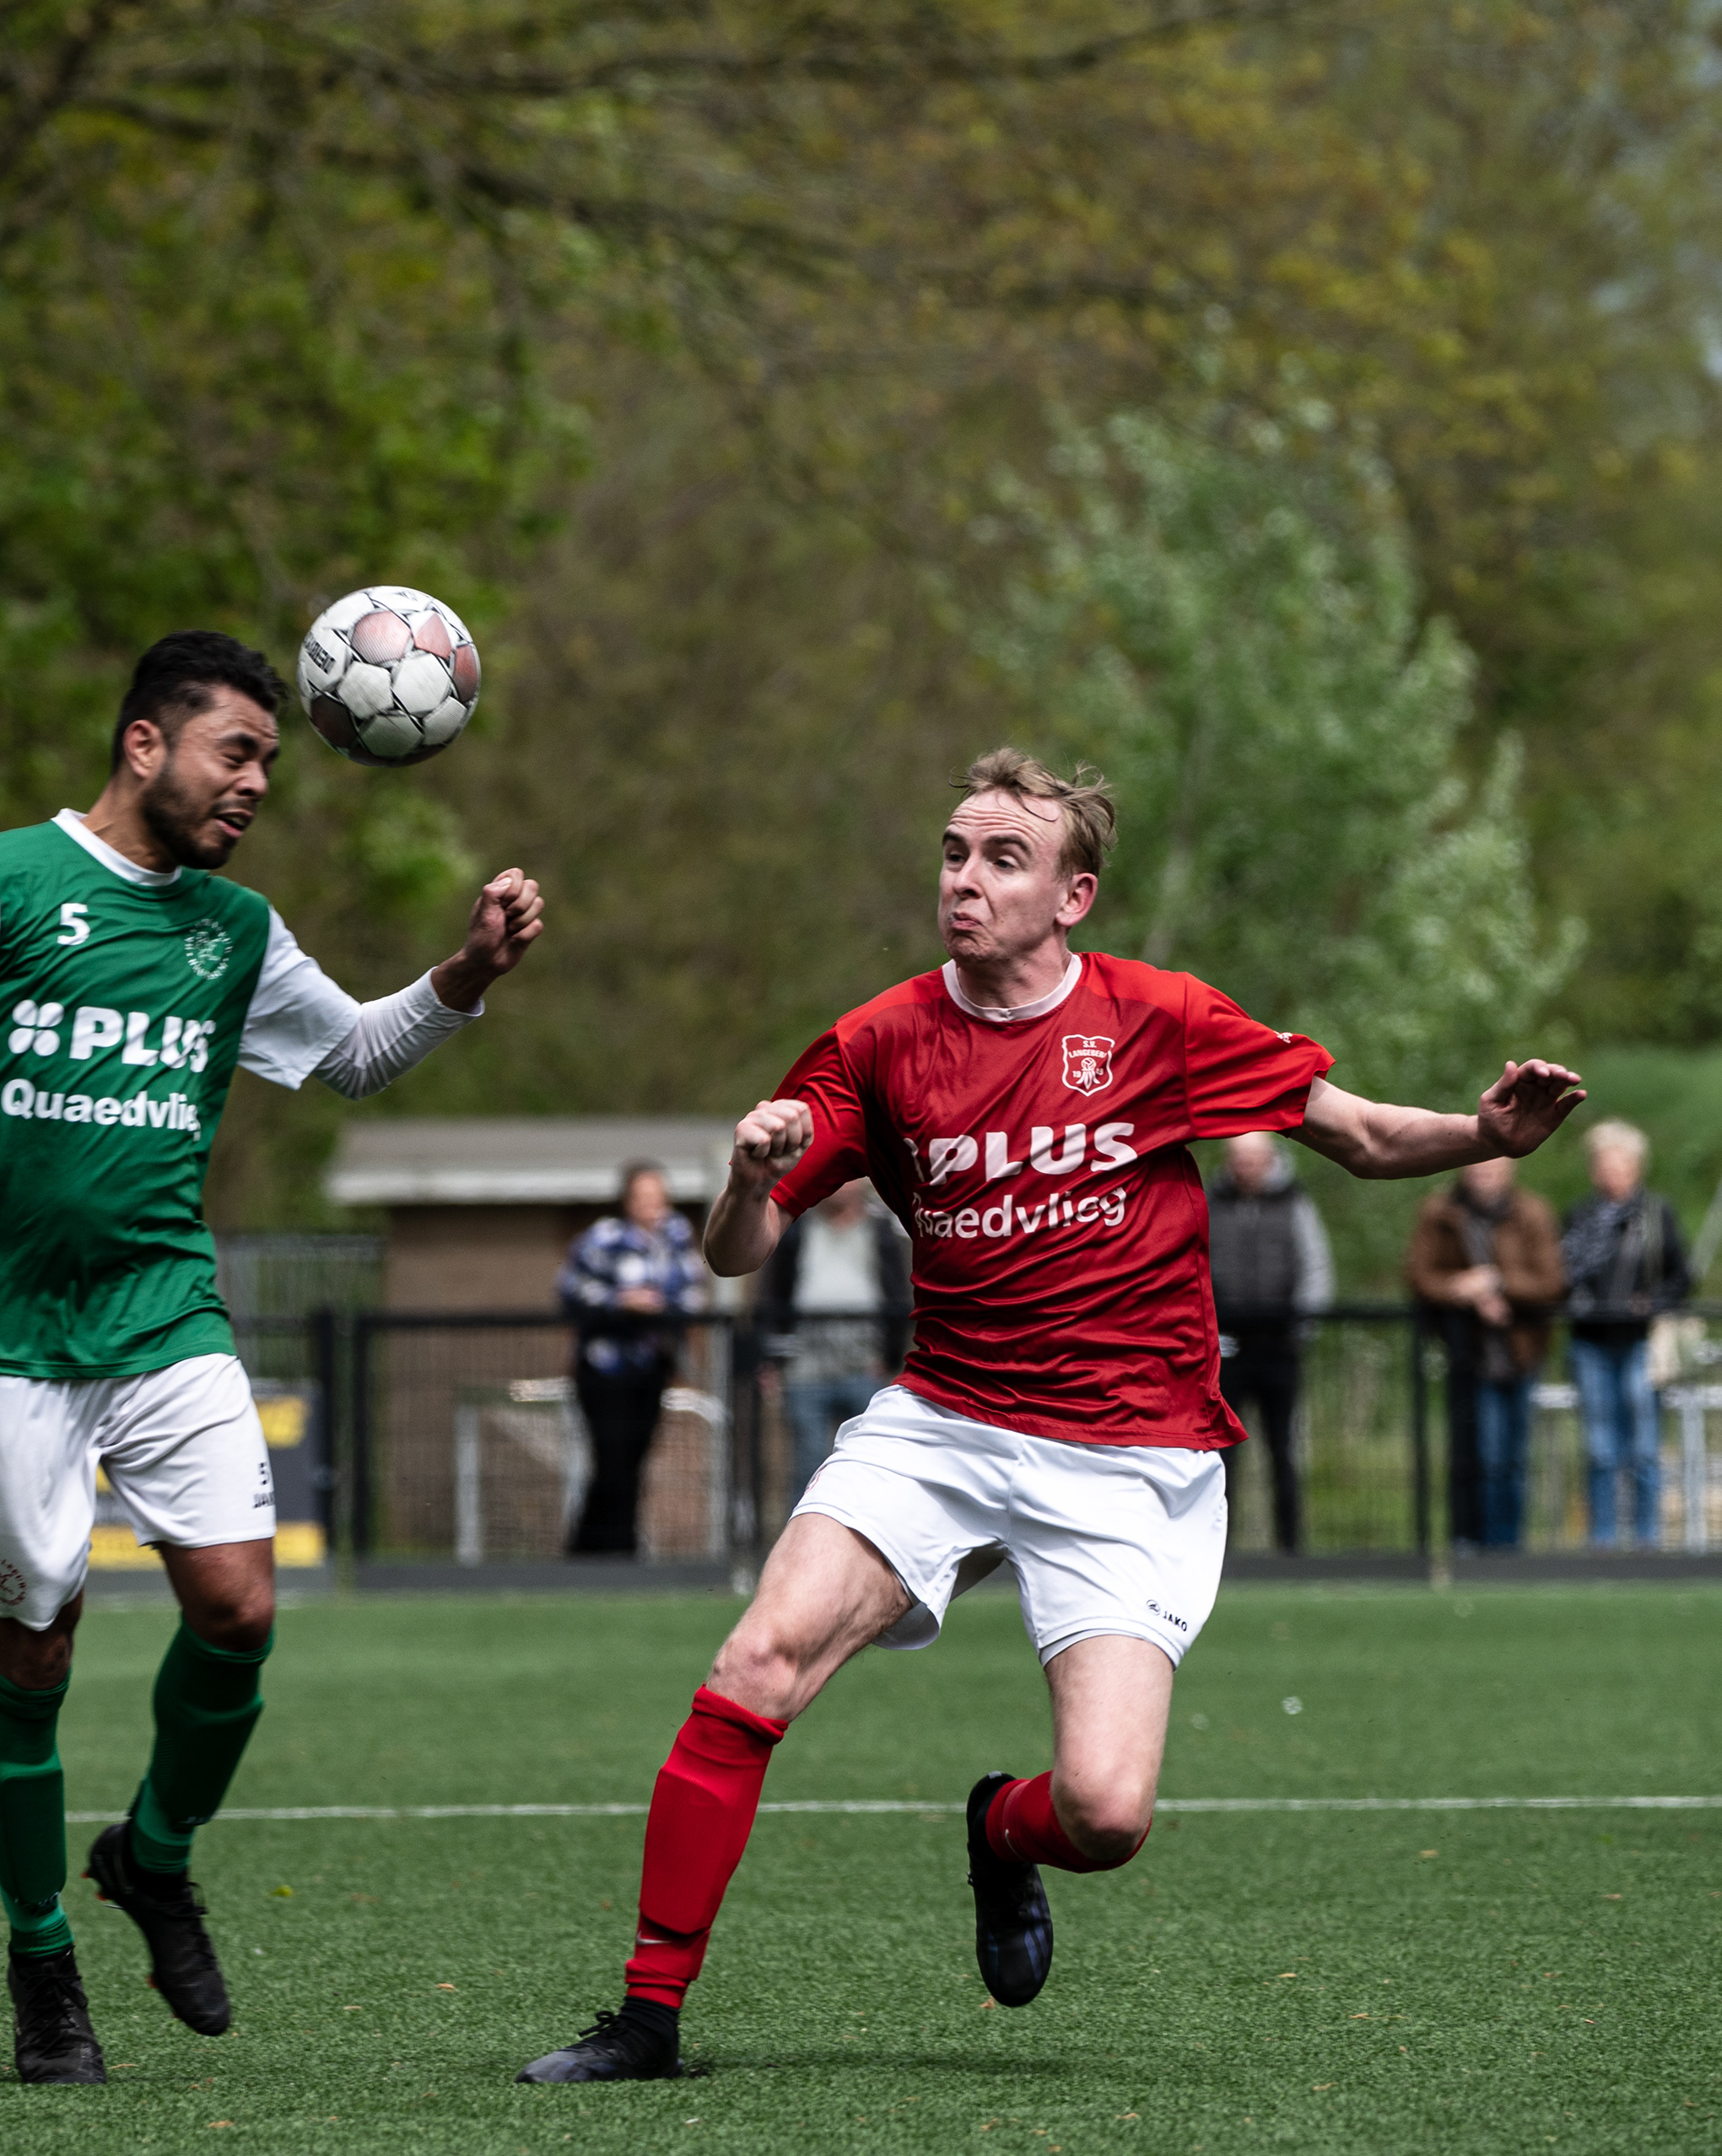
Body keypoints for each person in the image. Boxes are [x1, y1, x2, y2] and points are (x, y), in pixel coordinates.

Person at [511, 747, 1579, 2084]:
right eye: (954, 852)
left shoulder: (1161, 1016)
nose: (965, 879)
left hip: (1132, 1453)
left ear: (1073, 896)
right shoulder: (876, 1040)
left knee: (1108, 1811)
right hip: (944, 1422)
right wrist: (743, 1176)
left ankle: (999, 1830)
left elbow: (1358, 1135)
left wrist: (1484, 1135)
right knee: (757, 1658)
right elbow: (737, 1252)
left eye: (1003, 858)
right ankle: (646, 2013)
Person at [0, 630, 543, 2083]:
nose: (257, 781)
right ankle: (41, 1959)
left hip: (164, 1313)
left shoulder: (235, 929)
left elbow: (352, 1054)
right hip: (9, 1332)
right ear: (145, 743)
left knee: (239, 1608)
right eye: (237, 752)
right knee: (35, 1646)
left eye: (270, 757)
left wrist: (463, 973)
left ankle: (153, 1854)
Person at [1406, 1156, 1562, 1552]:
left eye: (1492, 1169)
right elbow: (1421, 1276)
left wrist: (1499, 1284)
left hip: (1521, 1351)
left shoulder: (1533, 1212)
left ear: (1509, 1171)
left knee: (1513, 1459)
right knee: (1478, 1456)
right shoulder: (1440, 1211)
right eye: (1477, 1168)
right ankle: (1474, 1543)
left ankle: (1508, 1545)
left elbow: (1552, 1280)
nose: (1483, 1176)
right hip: (1467, 1352)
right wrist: (1464, 1290)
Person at [557, 1163, 708, 1554]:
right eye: (642, 1197)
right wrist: (620, 1301)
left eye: (657, 1197)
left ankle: (607, 1550)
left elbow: (693, 1293)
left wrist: (661, 1307)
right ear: (626, 1201)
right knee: (611, 1460)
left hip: (651, 1367)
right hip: (604, 1368)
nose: (650, 1205)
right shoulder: (602, 1238)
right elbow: (571, 1288)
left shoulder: (676, 1239)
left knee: (635, 1460)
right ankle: (603, 1552)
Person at [1559, 1119, 1689, 1549]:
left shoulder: (1656, 1215)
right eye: (1604, 1165)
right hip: (1591, 1342)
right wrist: (1578, 1299)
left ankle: (1647, 1539)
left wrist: (1652, 1301)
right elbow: (1563, 1272)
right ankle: (1603, 1540)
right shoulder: (1580, 1217)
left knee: (1645, 1446)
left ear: (1636, 1168)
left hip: (1639, 1342)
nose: (1612, 1173)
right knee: (1600, 1448)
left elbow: (1681, 1276)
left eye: (1620, 1164)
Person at [1205, 1130, 1332, 1553]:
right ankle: (1220, 1548)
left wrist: (1302, 1327)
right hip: (1225, 1348)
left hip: (1279, 1346)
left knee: (1284, 1449)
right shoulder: (1211, 1202)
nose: (1246, 1168)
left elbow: (1315, 1266)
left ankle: (1290, 1547)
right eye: (1239, 1159)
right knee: (1221, 1455)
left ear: (1269, 1160)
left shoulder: (1294, 1203)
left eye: (1253, 1159)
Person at [753, 1178, 911, 1502]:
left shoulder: (882, 1230)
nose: (842, 1184)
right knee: (807, 1467)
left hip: (866, 1369)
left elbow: (899, 1295)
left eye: (850, 1176)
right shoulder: (796, 1230)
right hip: (804, 1371)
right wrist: (773, 1360)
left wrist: (889, 1359)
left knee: (869, 1467)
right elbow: (773, 1296)